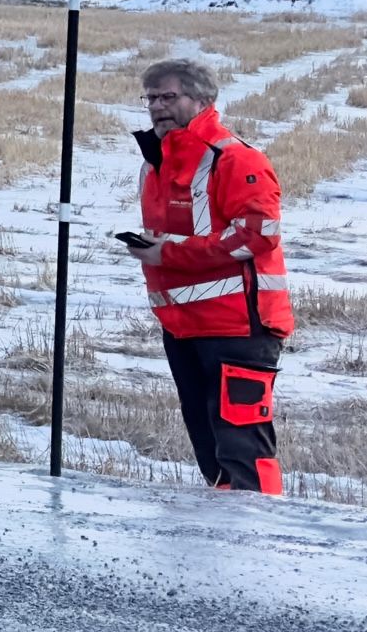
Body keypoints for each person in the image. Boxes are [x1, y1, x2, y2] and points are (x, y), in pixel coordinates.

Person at [115, 55, 292, 494]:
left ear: (202, 101)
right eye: (151, 98)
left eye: (168, 97)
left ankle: (261, 524)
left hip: (239, 326)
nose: (157, 106)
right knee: (211, 451)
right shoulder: (157, 162)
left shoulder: (235, 159)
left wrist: (169, 254)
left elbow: (257, 235)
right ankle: (221, 525)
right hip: (183, 326)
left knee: (243, 446)